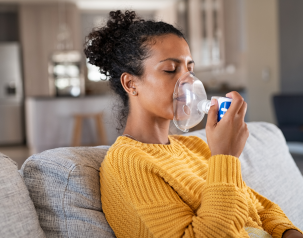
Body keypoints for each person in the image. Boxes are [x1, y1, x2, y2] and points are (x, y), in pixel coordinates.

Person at [84, 10, 303, 238]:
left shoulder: (196, 147)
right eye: (170, 69)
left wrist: (289, 233)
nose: (187, 82)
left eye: (189, 69)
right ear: (130, 83)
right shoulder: (127, 163)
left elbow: (261, 209)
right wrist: (225, 157)